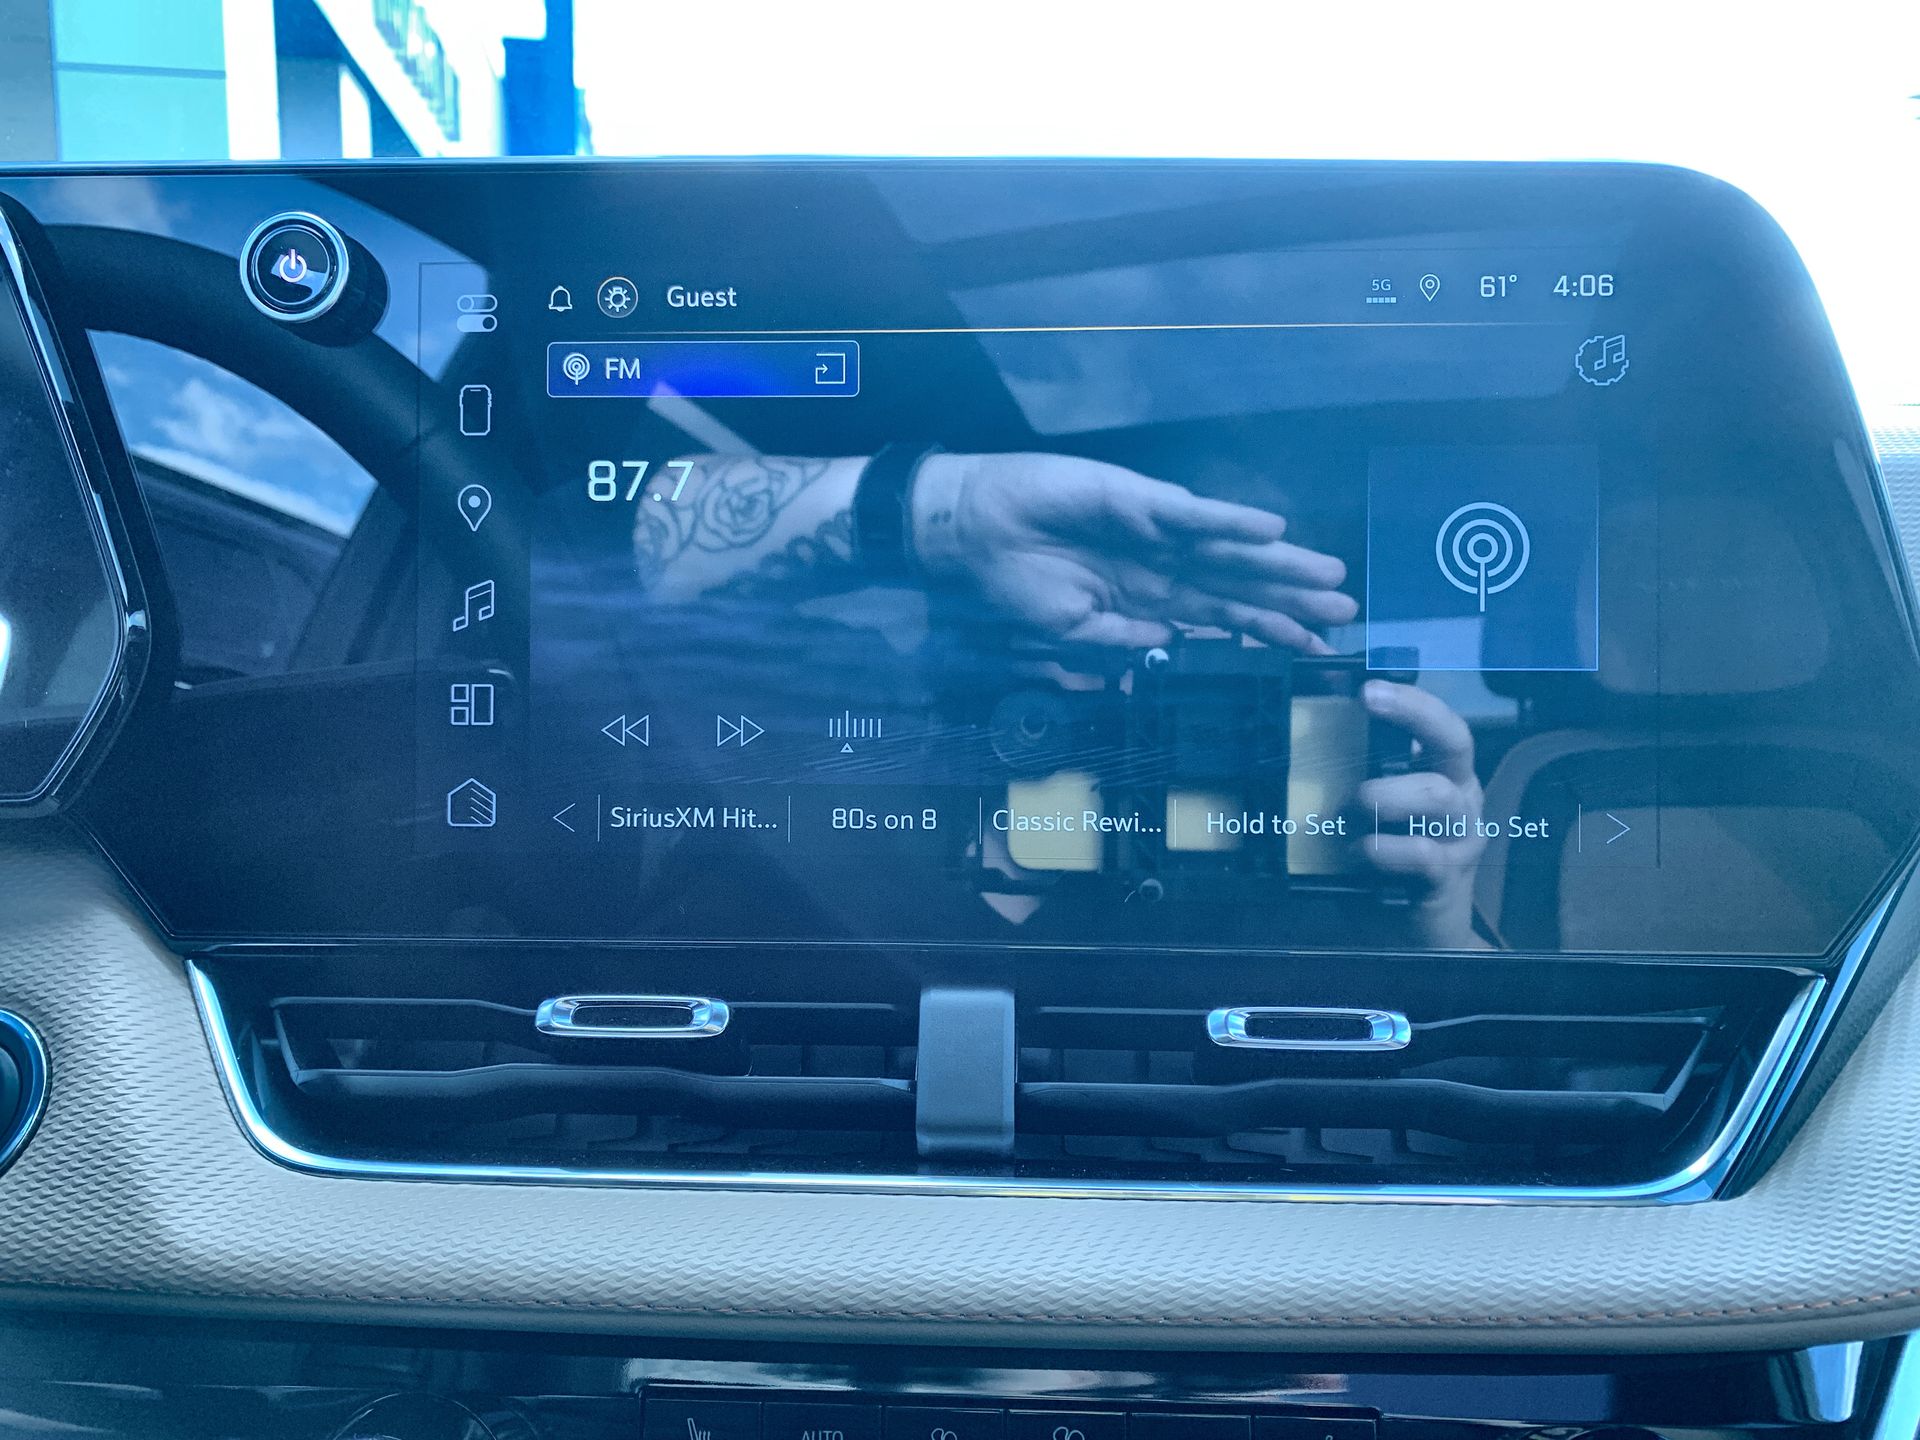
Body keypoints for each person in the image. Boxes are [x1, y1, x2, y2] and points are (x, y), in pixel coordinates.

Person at [636, 448, 1487, 947]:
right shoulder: (842, 717)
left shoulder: (1289, 892)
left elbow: (1506, 1102)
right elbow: (586, 550)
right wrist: (944, 510)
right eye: (1124, 615)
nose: (1156, 685)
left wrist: (1442, 924)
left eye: (1222, 668)